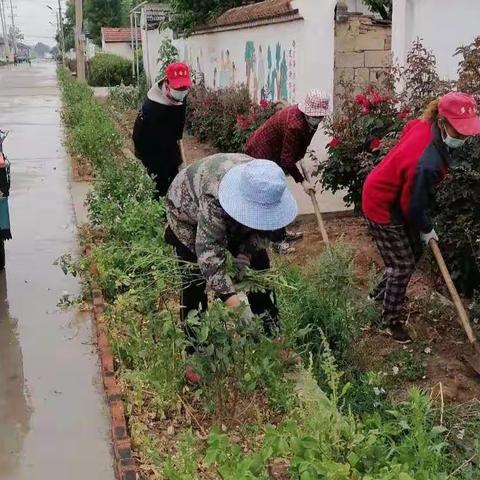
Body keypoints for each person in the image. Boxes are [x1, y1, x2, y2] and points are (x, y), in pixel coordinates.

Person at [362, 92, 480, 343]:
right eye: (459, 131)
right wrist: (426, 228)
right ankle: (390, 321)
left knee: (413, 253)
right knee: (402, 264)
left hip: (394, 194)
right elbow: (412, 206)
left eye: (466, 131)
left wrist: (422, 227)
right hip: (382, 203)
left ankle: (379, 295)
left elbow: (409, 130)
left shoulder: (425, 124)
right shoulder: (427, 162)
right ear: (442, 122)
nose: (464, 136)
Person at [165, 154, 298, 346]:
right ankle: (195, 348)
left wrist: (246, 254)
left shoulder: (268, 187)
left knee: (259, 269)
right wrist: (236, 306)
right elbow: (209, 258)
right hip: (185, 209)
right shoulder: (215, 199)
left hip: (229, 204)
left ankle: (272, 333)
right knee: (193, 278)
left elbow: (265, 233)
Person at [244, 90, 330, 252]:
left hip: (275, 154)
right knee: (272, 195)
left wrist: (299, 155)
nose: (318, 119)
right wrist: (302, 181)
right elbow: (286, 160)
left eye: (320, 116)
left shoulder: (309, 121)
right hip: (261, 155)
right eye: (315, 116)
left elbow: (296, 148)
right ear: (306, 111)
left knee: (279, 192)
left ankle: (281, 233)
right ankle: (276, 241)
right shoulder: (295, 125)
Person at [133, 62, 192, 198]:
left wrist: (181, 165)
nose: (182, 91)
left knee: (176, 175)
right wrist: (177, 165)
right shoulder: (153, 108)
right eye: (178, 88)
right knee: (160, 181)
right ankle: (161, 210)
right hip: (147, 143)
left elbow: (177, 134)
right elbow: (164, 146)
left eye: (184, 87)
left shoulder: (181, 95)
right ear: (167, 83)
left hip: (166, 138)